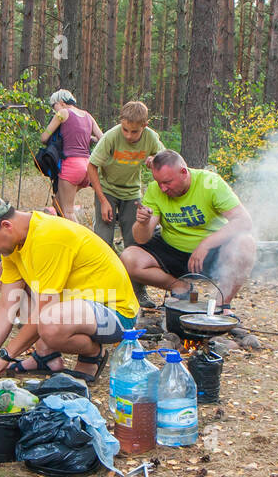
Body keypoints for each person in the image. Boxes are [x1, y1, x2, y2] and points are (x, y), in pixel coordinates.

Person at [0, 196, 138, 382]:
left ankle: (92, 354)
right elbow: (7, 306)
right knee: (4, 275)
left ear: (7, 225)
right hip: (79, 307)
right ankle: (46, 357)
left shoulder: (47, 238)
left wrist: (4, 356)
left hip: (116, 314)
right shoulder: (14, 244)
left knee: (51, 323)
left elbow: (44, 312)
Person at [120, 149, 257, 313]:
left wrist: (206, 244)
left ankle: (222, 304)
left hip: (211, 253)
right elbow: (141, 239)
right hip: (173, 250)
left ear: (183, 172)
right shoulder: (155, 190)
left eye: (167, 182)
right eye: (159, 183)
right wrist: (143, 223)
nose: (163, 188)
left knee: (246, 244)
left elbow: (244, 221)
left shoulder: (209, 183)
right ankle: (181, 288)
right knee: (129, 258)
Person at [87, 100, 164, 253]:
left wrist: (155, 159)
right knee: (103, 239)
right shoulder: (111, 136)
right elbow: (91, 166)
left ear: (145, 126)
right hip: (107, 190)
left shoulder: (151, 137)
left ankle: (131, 274)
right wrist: (102, 200)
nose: (128, 135)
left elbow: (166, 159)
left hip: (132, 193)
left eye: (134, 131)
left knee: (134, 240)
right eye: (125, 129)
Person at [39, 89, 100, 222]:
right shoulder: (88, 116)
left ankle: (79, 240)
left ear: (61, 103)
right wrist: (88, 138)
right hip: (87, 167)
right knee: (58, 202)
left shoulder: (62, 113)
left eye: (53, 106)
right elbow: (101, 138)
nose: (54, 110)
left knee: (68, 211)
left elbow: (44, 138)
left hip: (71, 166)